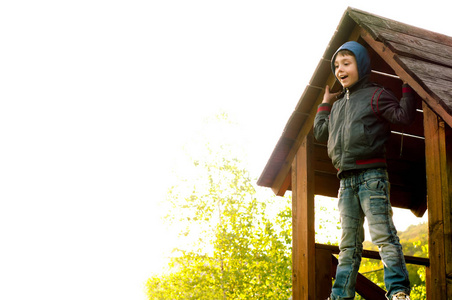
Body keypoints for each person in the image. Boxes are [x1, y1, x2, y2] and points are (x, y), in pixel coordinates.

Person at [313, 41, 415, 300]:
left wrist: (407, 84)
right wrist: (325, 104)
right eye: (336, 66)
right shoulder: (337, 106)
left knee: (383, 236)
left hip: (372, 178)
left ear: (362, 65)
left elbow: (403, 116)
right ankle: (340, 296)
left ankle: (398, 291)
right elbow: (320, 132)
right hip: (345, 182)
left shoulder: (376, 95)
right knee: (348, 245)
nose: (340, 70)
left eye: (346, 63)